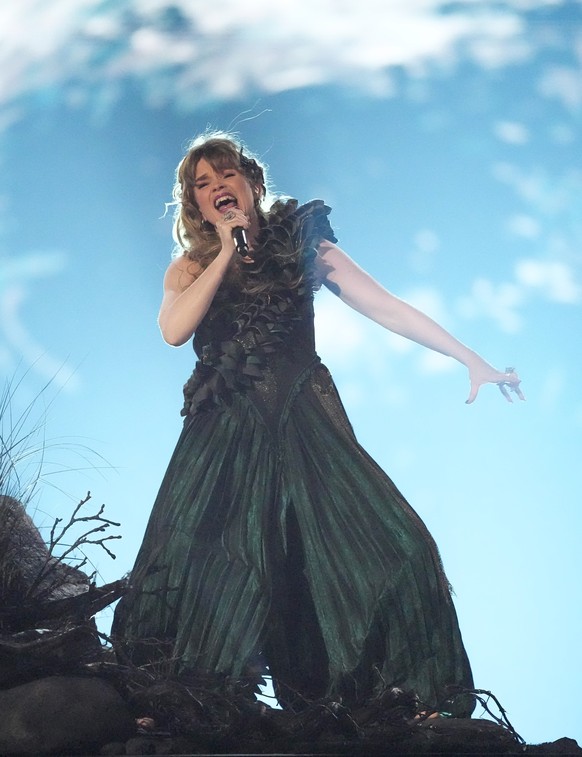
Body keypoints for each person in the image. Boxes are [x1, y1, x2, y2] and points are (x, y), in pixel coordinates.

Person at [112, 131, 523, 716]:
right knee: (212, 561)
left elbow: (386, 305)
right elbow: (175, 330)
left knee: (401, 546)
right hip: (226, 431)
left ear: (251, 183)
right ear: (197, 206)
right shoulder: (188, 268)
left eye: (226, 174)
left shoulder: (303, 243)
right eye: (203, 185)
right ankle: (179, 703)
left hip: (304, 419)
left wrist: (470, 359)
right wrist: (227, 252)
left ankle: (397, 701)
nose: (218, 187)